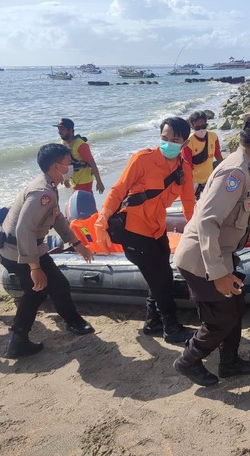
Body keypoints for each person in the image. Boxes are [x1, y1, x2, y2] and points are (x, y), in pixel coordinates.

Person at [172, 115, 250, 387]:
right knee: (222, 317)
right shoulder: (235, 172)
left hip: (220, 253)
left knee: (235, 307)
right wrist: (217, 273)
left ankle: (229, 362)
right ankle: (188, 361)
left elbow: (236, 207)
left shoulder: (243, 165)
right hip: (202, 259)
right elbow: (208, 221)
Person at [95, 117, 196, 344]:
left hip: (157, 229)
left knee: (163, 275)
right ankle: (171, 328)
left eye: (174, 140)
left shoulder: (184, 169)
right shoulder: (142, 159)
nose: (167, 143)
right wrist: (101, 221)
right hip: (133, 229)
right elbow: (118, 190)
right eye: (164, 138)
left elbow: (189, 203)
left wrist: (196, 231)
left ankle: (152, 323)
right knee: (159, 279)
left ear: (184, 143)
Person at [0, 144, 95, 358]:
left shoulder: (50, 185)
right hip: (17, 250)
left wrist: (77, 244)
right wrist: (34, 267)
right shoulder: (43, 192)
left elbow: (57, 218)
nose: (72, 166)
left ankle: (71, 321)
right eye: (69, 163)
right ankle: (18, 340)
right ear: (55, 166)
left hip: (27, 245)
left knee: (57, 284)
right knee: (38, 289)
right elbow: (24, 229)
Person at [54, 118, 105, 194]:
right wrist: (65, 178)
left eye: (62, 129)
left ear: (70, 130)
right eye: (59, 129)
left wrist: (99, 182)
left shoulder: (81, 145)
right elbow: (64, 164)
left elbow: (92, 163)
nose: (59, 131)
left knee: (84, 202)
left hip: (84, 181)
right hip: (74, 181)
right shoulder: (63, 143)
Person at [183, 111, 224, 199]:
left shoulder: (213, 137)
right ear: (192, 126)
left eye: (204, 126)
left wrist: (226, 168)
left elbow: (218, 155)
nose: (201, 129)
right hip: (194, 182)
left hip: (209, 178)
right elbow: (187, 165)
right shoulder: (188, 142)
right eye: (197, 127)